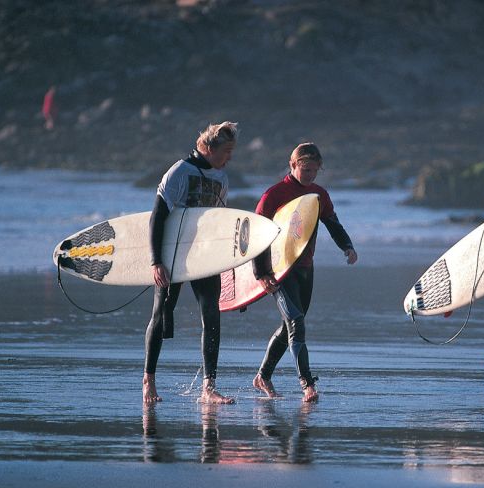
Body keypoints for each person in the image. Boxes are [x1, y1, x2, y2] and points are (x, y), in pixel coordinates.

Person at [252, 142, 357, 402]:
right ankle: (307, 384)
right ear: (292, 165)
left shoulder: (319, 195)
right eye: (305, 169)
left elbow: (332, 223)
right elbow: (256, 235)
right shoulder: (274, 194)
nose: (309, 175)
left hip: (305, 268)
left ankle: (262, 376)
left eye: (314, 171)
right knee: (297, 323)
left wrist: (347, 246)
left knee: (291, 324)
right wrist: (261, 273)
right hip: (279, 270)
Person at [143, 121, 239, 404]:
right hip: (174, 252)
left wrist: (228, 262)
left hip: (205, 254)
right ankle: (148, 380)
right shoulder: (180, 171)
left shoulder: (222, 178)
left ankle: (208, 388)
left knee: (212, 315)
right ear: (209, 148)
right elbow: (157, 217)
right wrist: (155, 260)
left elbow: (218, 224)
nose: (229, 157)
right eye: (227, 151)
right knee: (162, 314)